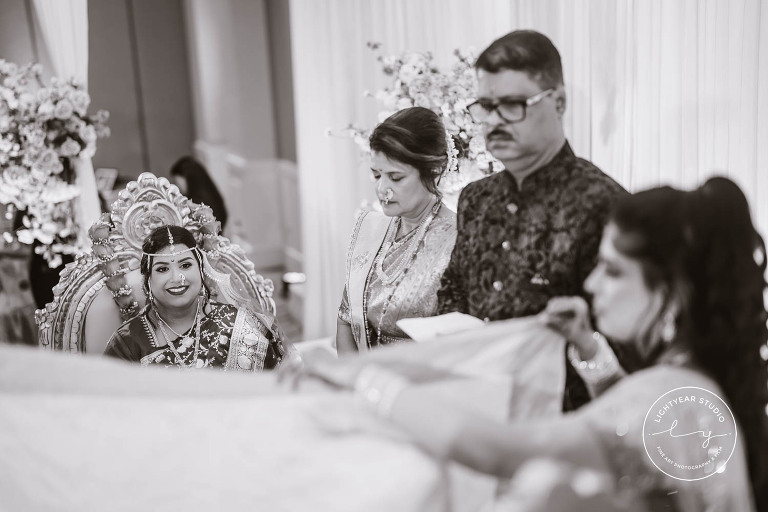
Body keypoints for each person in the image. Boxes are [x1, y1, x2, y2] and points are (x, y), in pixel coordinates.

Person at [306, 177, 768, 510]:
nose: (593, 284)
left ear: (672, 291)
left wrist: (367, 378)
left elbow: (498, 451)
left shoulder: (667, 393)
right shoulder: (690, 387)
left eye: (613, 271)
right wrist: (589, 350)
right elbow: (631, 433)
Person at [437, 30, 628, 411]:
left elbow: (625, 334)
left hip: (568, 417)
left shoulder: (604, 203)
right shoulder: (476, 198)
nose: (494, 120)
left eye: (512, 105)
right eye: (486, 106)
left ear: (558, 102)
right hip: (480, 404)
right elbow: (453, 290)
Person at [336, 107, 458, 354]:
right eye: (376, 175)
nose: (382, 189)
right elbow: (345, 320)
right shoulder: (371, 229)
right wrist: (356, 374)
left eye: (396, 177)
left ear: (435, 170)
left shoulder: (459, 238)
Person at [104, 225, 287, 370]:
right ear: (148, 279)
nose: (177, 278)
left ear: (201, 269)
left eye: (185, 265)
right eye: (162, 269)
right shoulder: (126, 343)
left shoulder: (244, 324)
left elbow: (279, 389)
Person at [170, 156, 229, 231]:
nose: (176, 186)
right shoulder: (212, 197)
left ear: (187, 178)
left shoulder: (198, 204)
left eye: (176, 182)